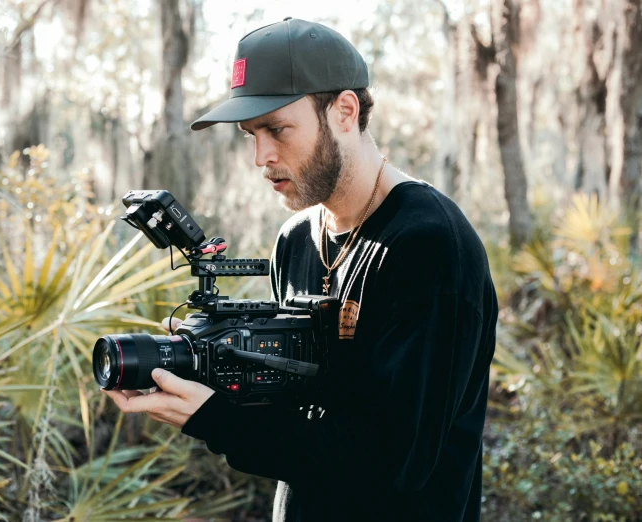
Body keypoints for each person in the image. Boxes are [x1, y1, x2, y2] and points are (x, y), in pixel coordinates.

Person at [104, 17, 498, 522]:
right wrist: (214, 363)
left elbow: (395, 462)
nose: (260, 157)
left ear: (344, 111)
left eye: (276, 129)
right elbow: (300, 408)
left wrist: (216, 420)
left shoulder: (428, 244)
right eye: (250, 134)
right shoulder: (296, 239)